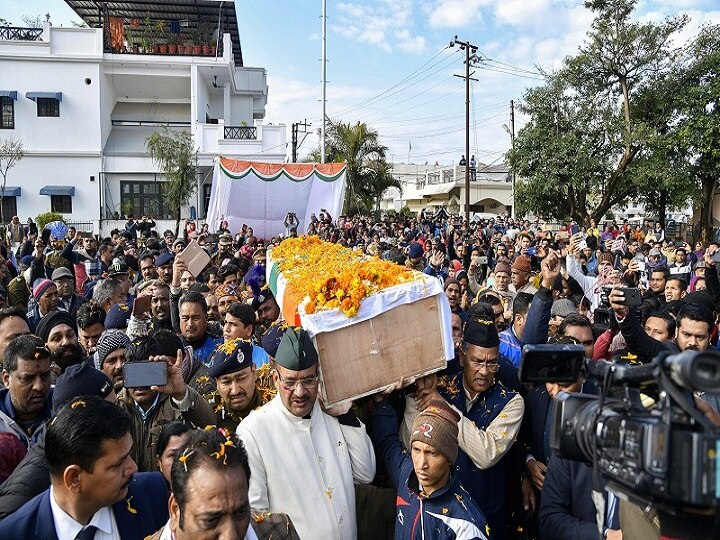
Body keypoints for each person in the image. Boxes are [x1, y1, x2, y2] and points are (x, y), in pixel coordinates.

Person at [237, 327, 376, 539]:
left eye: (308, 380)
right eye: (290, 382)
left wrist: (346, 416)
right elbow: (258, 517)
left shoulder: (332, 414)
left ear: (318, 376)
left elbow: (365, 474)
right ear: (276, 379)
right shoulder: (253, 431)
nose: (300, 392)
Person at [410, 319, 524, 539]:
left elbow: (486, 453)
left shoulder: (512, 402)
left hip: (485, 515)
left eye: (492, 363)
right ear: (462, 357)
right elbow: (412, 440)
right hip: (435, 513)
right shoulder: (439, 388)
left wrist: (443, 408)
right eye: (477, 361)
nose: (484, 371)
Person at [0, 395, 170, 539]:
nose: (133, 468)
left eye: (129, 455)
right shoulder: (13, 534)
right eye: (117, 464)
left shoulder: (153, 495)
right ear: (74, 478)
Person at [373, 395, 491, 539]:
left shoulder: (466, 526)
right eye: (416, 450)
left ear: (449, 458)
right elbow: (388, 445)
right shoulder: (407, 474)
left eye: (432, 453)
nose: (421, 464)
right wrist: (381, 402)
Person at [118, 335, 216, 472]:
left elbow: (210, 425)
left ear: (159, 368)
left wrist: (181, 393)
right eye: (135, 374)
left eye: (147, 373)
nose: (140, 385)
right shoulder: (116, 406)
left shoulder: (177, 402)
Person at [0, 336, 53, 446]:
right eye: (28, 378)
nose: (39, 386)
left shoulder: (61, 409)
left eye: (44, 375)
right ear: (6, 379)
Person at [205, 338, 267, 433]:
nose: (235, 390)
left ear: (254, 372)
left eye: (241, 379)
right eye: (226, 382)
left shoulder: (274, 406)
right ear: (217, 383)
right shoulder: (208, 412)